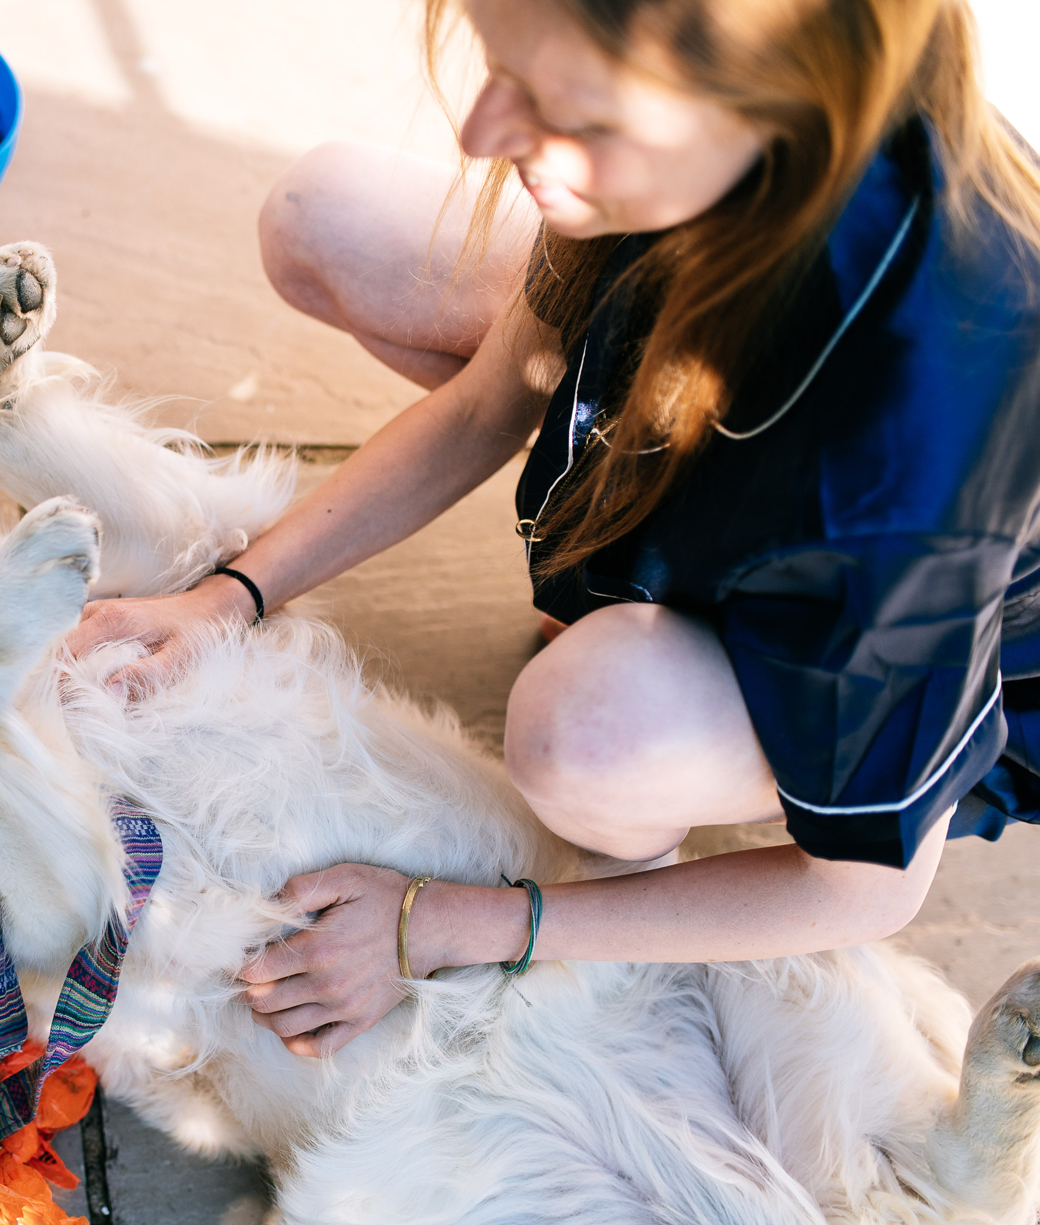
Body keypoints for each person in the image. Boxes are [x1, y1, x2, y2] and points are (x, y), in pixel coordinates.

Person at [65, 0, 1040, 1057]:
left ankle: (637, 811)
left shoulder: (901, 462)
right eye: (498, 64)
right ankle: (627, 605)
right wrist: (228, 595)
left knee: (584, 729)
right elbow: (491, 399)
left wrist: (467, 920)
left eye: (559, 106)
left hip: (907, 646)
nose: (482, 130)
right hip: (739, 418)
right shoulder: (732, 160)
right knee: (320, 213)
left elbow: (864, 887)